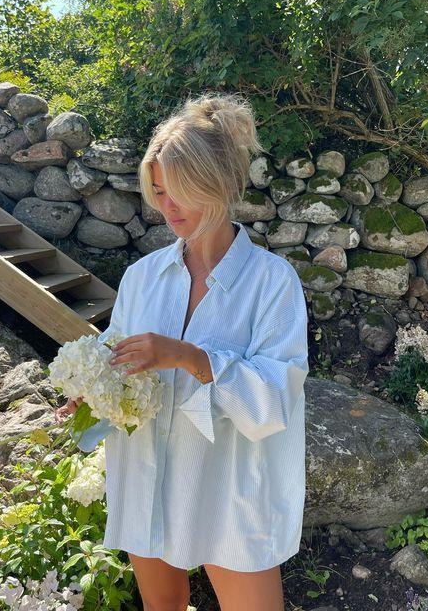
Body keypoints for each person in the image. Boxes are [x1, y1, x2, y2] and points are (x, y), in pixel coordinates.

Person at [56, 92, 309, 611]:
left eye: (181, 193)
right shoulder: (142, 277)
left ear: (219, 186)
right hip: (148, 467)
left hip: (229, 480)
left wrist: (191, 357)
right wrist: (93, 389)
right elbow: (118, 355)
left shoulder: (271, 283)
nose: (168, 208)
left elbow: (277, 395)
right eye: (159, 192)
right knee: (162, 606)